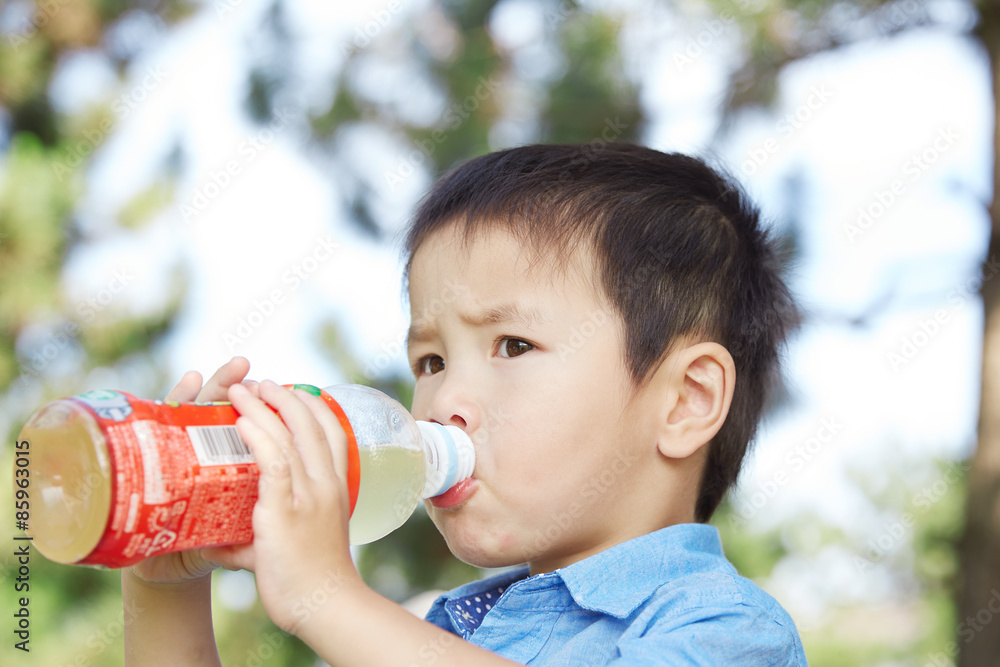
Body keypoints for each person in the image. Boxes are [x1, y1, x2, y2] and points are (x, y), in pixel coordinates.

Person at [123, 142, 807, 665]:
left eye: (512, 345)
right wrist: (165, 594)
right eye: (430, 360)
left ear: (686, 400)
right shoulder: (434, 635)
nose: (443, 398)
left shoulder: (727, 629)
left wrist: (327, 599)